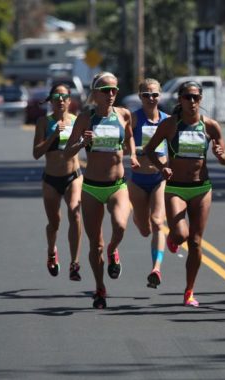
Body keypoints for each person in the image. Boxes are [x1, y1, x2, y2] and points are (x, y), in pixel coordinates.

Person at [144, 81, 225, 307]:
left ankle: (189, 291)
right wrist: (162, 167)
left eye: (196, 97)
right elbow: (149, 150)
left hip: (201, 188)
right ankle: (173, 238)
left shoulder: (210, 126)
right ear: (180, 100)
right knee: (181, 235)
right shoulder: (170, 125)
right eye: (187, 97)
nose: (192, 102)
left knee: (196, 242)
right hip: (176, 188)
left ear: (201, 99)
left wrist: (221, 155)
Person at [64, 72, 139, 309]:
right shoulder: (86, 118)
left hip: (117, 185)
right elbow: (67, 152)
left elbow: (129, 141)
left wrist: (134, 155)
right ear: (95, 94)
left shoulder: (124, 115)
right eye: (106, 90)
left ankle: (113, 250)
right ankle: (99, 288)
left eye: (114, 90)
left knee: (120, 226)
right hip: (92, 188)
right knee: (94, 243)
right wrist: (82, 143)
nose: (111, 94)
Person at [33, 83, 83, 281]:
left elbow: (86, 146)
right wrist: (54, 134)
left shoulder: (77, 121)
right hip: (51, 179)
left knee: (75, 213)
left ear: (70, 100)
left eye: (64, 97)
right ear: (51, 101)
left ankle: (74, 263)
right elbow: (36, 153)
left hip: (73, 176)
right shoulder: (43, 122)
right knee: (55, 223)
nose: (60, 100)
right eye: (56, 97)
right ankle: (52, 250)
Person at [128, 78, 169, 289]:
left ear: (160, 95)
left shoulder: (167, 120)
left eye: (154, 94)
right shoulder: (134, 119)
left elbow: (177, 145)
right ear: (140, 97)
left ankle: (156, 268)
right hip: (137, 180)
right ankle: (138, 216)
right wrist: (133, 153)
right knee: (144, 228)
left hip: (158, 178)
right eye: (146, 95)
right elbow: (127, 142)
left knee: (157, 222)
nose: (151, 98)